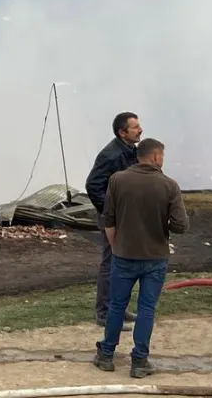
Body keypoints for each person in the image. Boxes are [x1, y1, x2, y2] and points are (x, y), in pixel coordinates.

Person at [93, 138, 190, 378]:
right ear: (156, 157)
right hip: (155, 257)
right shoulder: (169, 185)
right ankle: (139, 361)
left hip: (123, 255)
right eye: (162, 157)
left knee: (116, 305)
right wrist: (161, 222)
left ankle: (106, 355)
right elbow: (181, 225)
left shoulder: (117, 180)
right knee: (147, 308)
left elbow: (109, 219)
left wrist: (117, 246)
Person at [85, 111, 142, 328]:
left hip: (127, 216)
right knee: (111, 263)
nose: (140, 130)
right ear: (122, 132)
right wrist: (109, 212)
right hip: (113, 218)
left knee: (124, 263)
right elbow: (92, 185)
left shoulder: (131, 151)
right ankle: (104, 313)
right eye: (135, 127)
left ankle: (118, 307)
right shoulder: (110, 154)